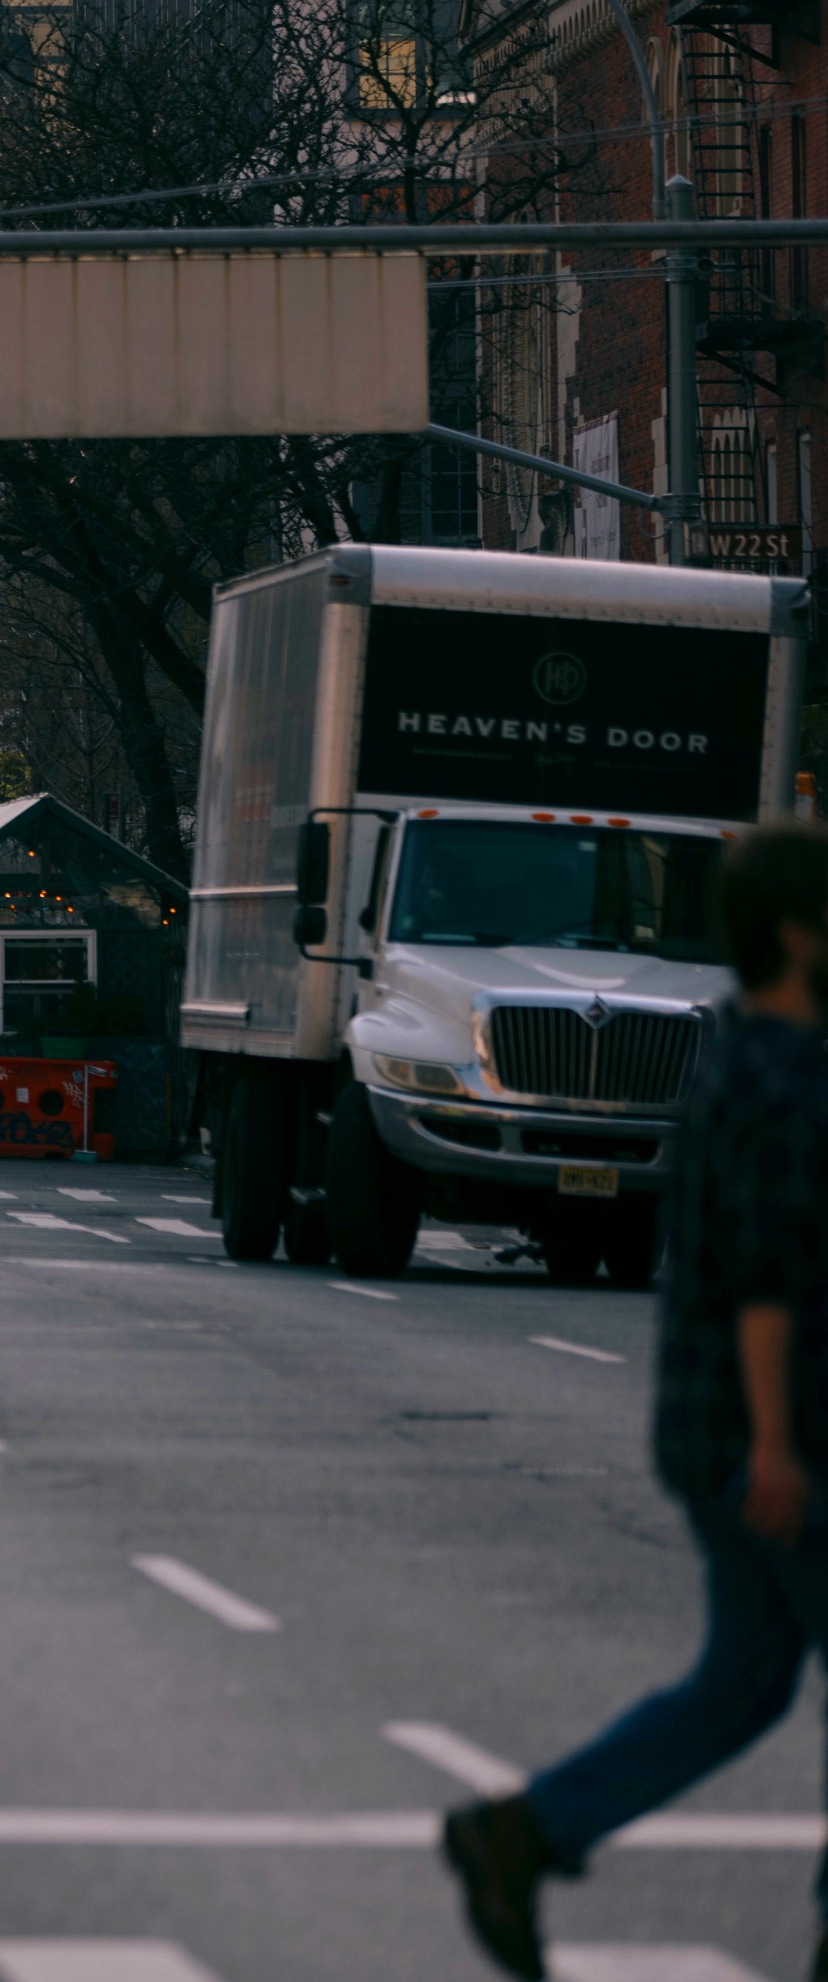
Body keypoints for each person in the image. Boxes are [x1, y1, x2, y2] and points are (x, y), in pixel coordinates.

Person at [443, 823, 828, 1981]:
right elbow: (770, 1278)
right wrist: (776, 1444)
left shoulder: (734, 1054)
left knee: (746, 1679)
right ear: (804, 932)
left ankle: (530, 1828)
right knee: (746, 1676)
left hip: (708, 1424)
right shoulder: (790, 1076)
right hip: (782, 1434)